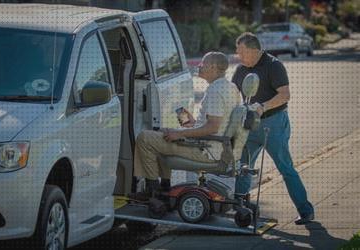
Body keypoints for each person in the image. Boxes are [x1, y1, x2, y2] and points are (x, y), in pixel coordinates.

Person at [231, 32, 314, 225]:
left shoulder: (274, 65)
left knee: (285, 167)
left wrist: (263, 106)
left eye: (241, 52)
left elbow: (284, 95)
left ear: (254, 50)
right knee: (243, 167)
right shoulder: (241, 69)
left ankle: (306, 211)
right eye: (238, 53)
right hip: (248, 125)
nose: (239, 57)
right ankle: (241, 209)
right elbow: (233, 95)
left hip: (273, 123)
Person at [132, 52, 241, 198]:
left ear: (213, 67)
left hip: (206, 150)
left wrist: (180, 133)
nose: (199, 66)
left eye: (203, 64)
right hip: (215, 146)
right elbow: (218, 126)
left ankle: (153, 191)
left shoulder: (215, 90)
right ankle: (165, 186)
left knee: (145, 138)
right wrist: (193, 124)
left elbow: (213, 127)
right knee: (161, 133)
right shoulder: (230, 86)